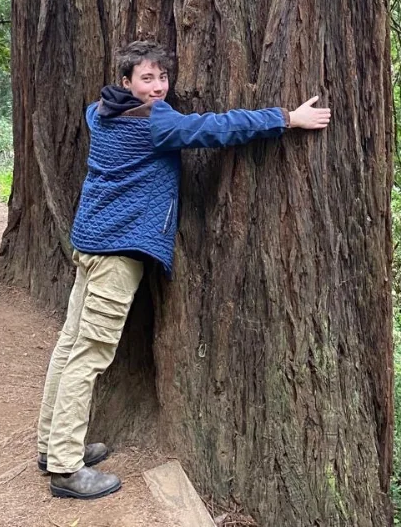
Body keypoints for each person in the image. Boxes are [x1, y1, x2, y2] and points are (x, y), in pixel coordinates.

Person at [36, 40, 331, 499]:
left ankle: (51, 445)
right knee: (88, 355)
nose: (157, 87)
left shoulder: (99, 112)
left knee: (70, 343)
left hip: (89, 243)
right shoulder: (157, 123)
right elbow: (216, 128)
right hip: (118, 254)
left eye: (162, 78)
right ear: (127, 81)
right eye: (146, 79)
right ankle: (65, 468)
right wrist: (288, 118)